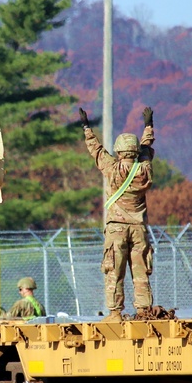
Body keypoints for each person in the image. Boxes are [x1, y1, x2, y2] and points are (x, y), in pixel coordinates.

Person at [80, 106, 155, 322]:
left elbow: (96, 150)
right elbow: (147, 147)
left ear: (119, 151)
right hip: (139, 228)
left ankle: (115, 313)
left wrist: (86, 127)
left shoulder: (112, 169)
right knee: (140, 272)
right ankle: (143, 311)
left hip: (117, 228)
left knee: (114, 271)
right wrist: (148, 126)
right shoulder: (145, 169)